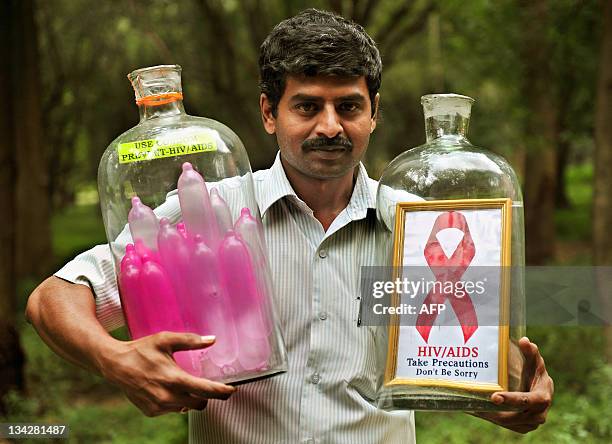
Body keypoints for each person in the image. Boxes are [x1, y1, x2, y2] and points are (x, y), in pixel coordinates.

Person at [26, 9, 553, 443]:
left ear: (374, 116)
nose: (330, 126)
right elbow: (54, 297)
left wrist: (508, 395)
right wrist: (116, 359)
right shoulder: (206, 212)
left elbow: (473, 363)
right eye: (307, 106)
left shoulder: (421, 227)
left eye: (349, 106)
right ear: (269, 113)